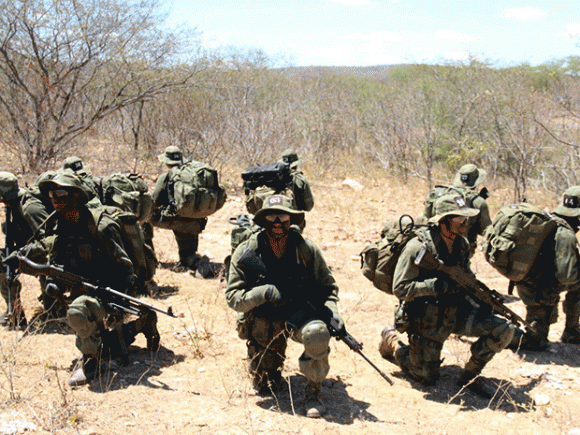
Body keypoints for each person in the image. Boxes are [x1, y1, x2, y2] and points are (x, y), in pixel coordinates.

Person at [12, 172, 159, 386]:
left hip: (109, 287)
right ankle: (144, 323)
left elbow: (125, 268)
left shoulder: (101, 225)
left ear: (76, 196)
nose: (54, 199)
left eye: (60, 194)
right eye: (51, 194)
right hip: (83, 285)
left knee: (78, 313)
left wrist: (115, 296)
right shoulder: (59, 222)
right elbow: (58, 257)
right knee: (107, 341)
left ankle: (92, 363)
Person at [379, 195, 515, 398]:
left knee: (504, 329)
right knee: (426, 377)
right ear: (444, 221)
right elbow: (400, 287)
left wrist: (482, 297)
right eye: (459, 220)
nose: (465, 225)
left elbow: (466, 276)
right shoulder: (418, 247)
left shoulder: (461, 244)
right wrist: (437, 285)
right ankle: (392, 339)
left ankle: (470, 376)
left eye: (466, 220)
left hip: (456, 312)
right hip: (426, 318)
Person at [226, 195, 343, 418]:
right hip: (265, 321)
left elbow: (328, 288)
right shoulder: (246, 251)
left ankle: (313, 391)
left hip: (301, 315)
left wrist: (333, 313)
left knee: (317, 332)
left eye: (283, 216)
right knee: (266, 386)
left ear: (291, 220)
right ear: (262, 220)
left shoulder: (306, 249)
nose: (278, 222)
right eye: (272, 216)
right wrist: (265, 292)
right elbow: (233, 297)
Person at [509, 186, 580, 351]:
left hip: (529, 282)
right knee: (535, 342)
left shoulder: (551, 222)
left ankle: (571, 330)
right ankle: (495, 332)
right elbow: (567, 277)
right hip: (538, 290)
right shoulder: (566, 235)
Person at [150, 146, 211, 276]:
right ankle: (196, 262)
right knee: (187, 256)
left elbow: (154, 202)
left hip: (175, 220)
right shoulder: (194, 174)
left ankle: (148, 258)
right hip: (195, 221)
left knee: (143, 220)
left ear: (167, 162)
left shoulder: (166, 176)